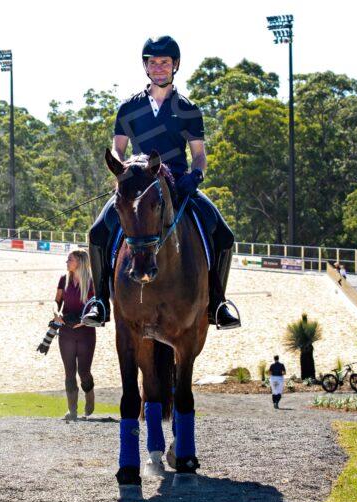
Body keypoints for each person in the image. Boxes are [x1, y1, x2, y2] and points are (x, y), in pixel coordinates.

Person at [81, 35, 239, 330]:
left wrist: (196, 176)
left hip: (177, 184)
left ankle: (217, 302)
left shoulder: (188, 109)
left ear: (175, 65)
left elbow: (199, 155)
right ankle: (100, 301)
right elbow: (118, 147)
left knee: (225, 235)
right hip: (136, 184)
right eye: (153, 62)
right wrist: (121, 168)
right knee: (97, 232)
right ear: (146, 67)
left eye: (164, 62)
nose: (159, 68)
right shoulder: (129, 107)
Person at [53, 249, 96, 421]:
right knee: (69, 372)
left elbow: (96, 306)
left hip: (86, 332)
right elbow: (56, 302)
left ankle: (90, 394)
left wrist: (86, 319)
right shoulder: (64, 280)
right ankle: (72, 411)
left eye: (69, 259)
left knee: (84, 371)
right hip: (66, 331)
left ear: (79, 261)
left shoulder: (92, 282)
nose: (67, 261)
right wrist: (55, 312)